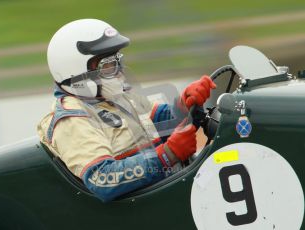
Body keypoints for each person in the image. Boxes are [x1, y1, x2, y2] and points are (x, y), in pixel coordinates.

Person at [37, 19, 216, 202]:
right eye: (108, 65)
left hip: (173, 192)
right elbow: (102, 179)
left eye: (117, 60)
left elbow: (159, 122)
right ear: (75, 70)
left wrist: (183, 105)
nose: (118, 71)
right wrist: (168, 155)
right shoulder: (73, 119)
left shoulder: (115, 96)